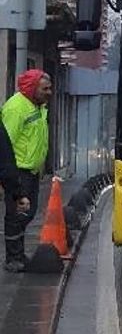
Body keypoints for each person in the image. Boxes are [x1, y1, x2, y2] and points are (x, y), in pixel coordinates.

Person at [2, 70, 51, 272]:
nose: (49, 92)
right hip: (18, 172)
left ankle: (18, 254)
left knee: (28, 213)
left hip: (31, 172)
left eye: (50, 87)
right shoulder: (16, 108)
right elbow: (5, 143)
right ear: (33, 88)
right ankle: (13, 259)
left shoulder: (38, 106)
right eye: (45, 88)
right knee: (16, 215)